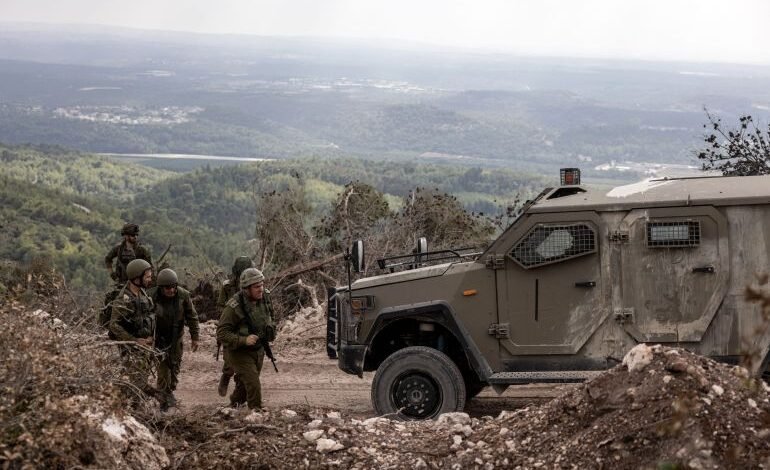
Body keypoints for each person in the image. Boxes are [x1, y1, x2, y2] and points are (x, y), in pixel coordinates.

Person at [216, 268, 276, 410]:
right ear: (246, 289)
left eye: (262, 285)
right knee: (253, 383)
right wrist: (244, 340)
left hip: (258, 348)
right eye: (256, 287)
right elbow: (222, 333)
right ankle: (256, 411)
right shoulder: (234, 306)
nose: (261, 289)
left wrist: (271, 329)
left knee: (245, 385)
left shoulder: (265, 297)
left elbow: (271, 316)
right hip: (239, 351)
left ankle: (234, 405)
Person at [147, 268, 200, 411]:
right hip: (158, 339)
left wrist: (195, 337)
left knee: (174, 370)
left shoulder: (183, 296)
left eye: (173, 287)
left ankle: (168, 393)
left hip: (176, 339)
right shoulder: (151, 296)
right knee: (163, 372)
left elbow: (192, 317)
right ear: (161, 287)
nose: (171, 290)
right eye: (167, 288)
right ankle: (164, 403)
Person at [108, 258, 156, 401]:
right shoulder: (124, 299)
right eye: (147, 277)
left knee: (141, 380)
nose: (150, 279)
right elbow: (114, 325)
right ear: (136, 278)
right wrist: (134, 340)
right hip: (131, 350)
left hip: (144, 348)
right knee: (135, 384)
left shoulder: (143, 293)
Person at [215, 256, 255, 398]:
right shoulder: (227, 287)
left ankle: (239, 393)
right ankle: (226, 376)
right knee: (230, 359)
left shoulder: (253, 285)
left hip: (246, 329)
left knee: (244, 362)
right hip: (231, 328)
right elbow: (220, 307)